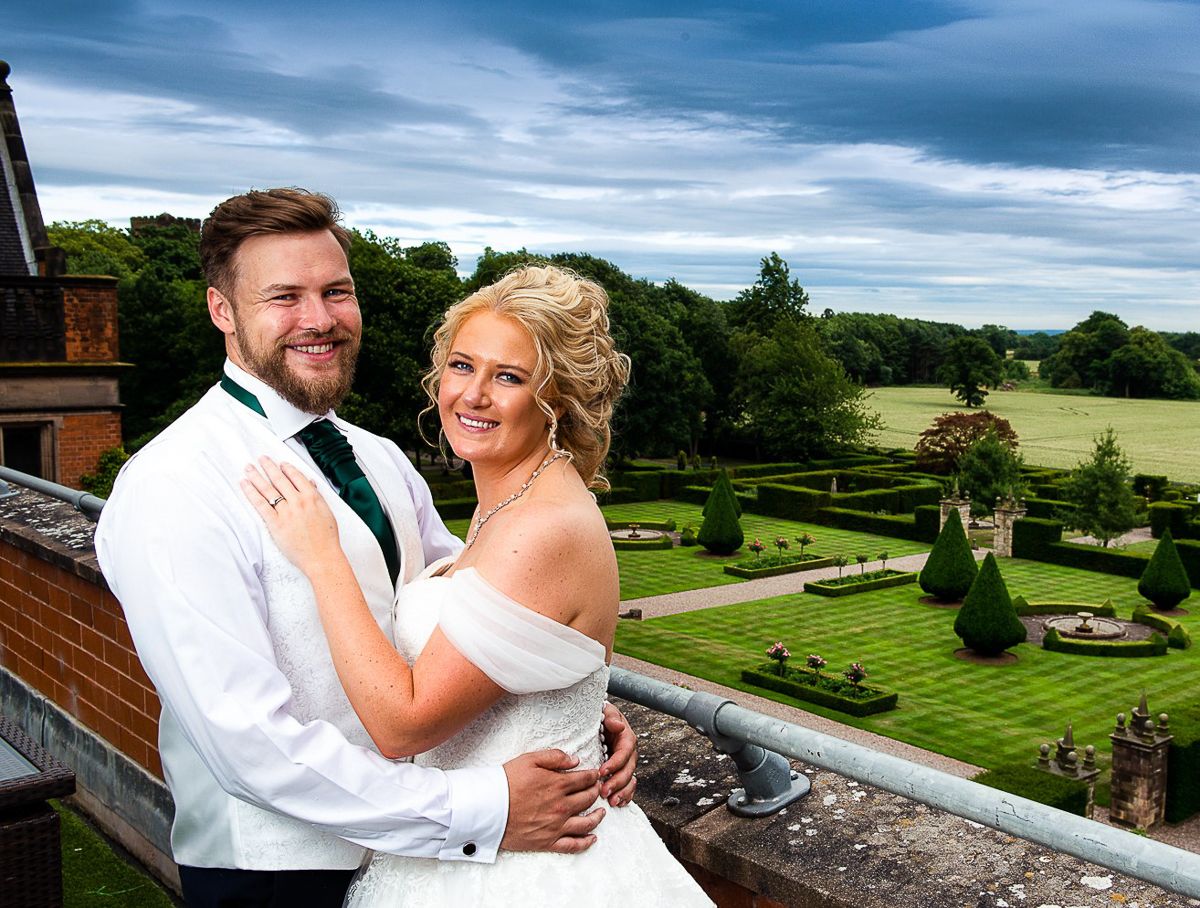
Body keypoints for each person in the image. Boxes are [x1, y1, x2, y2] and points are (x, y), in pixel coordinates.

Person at [94, 189, 638, 908]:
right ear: (222, 310)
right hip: (283, 874)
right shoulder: (175, 485)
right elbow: (249, 747)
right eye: (284, 297)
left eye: (335, 291)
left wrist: (570, 699)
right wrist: (481, 810)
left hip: (428, 862)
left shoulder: (379, 457)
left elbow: (485, 606)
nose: (319, 319)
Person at [241, 265, 715, 906]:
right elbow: (516, 645)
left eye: (509, 377)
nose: (474, 395)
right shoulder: (508, 502)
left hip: (527, 871)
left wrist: (323, 558)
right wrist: (575, 709)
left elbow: (403, 725)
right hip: (478, 843)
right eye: (462, 366)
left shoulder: (540, 526)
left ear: (557, 399)